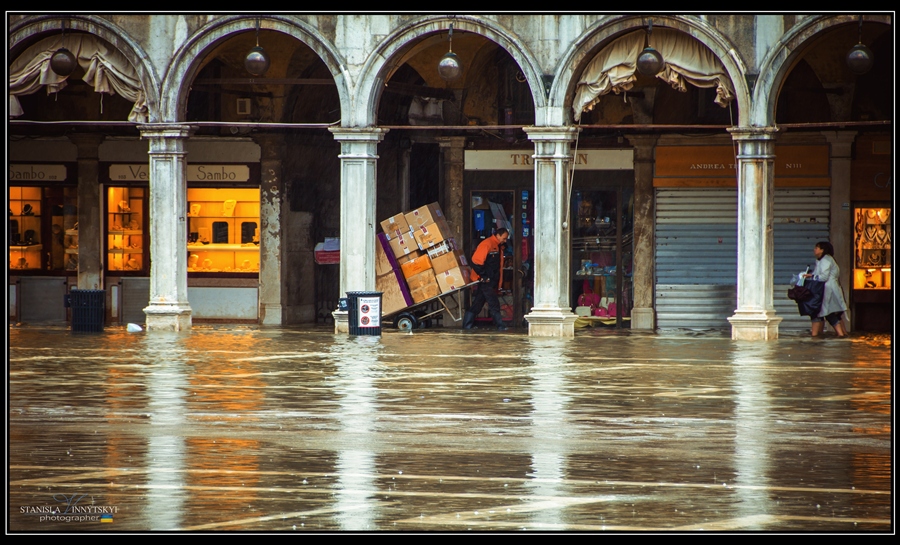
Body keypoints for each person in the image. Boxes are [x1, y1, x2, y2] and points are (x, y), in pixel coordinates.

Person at [462, 228, 509, 331]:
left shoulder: (498, 246)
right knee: (493, 303)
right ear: (498, 235)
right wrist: (484, 276)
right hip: (486, 281)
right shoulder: (487, 244)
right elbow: (476, 261)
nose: (505, 241)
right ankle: (500, 326)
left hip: (489, 280)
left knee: (478, 303)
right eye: (504, 238)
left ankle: (467, 325)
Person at [803, 241, 848, 338]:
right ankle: (841, 334)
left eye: (816, 248)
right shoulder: (821, 260)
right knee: (828, 312)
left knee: (826, 311)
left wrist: (811, 276)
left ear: (822, 250)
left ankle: (838, 335)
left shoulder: (826, 260)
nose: (814, 249)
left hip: (828, 289)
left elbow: (823, 277)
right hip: (825, 288)